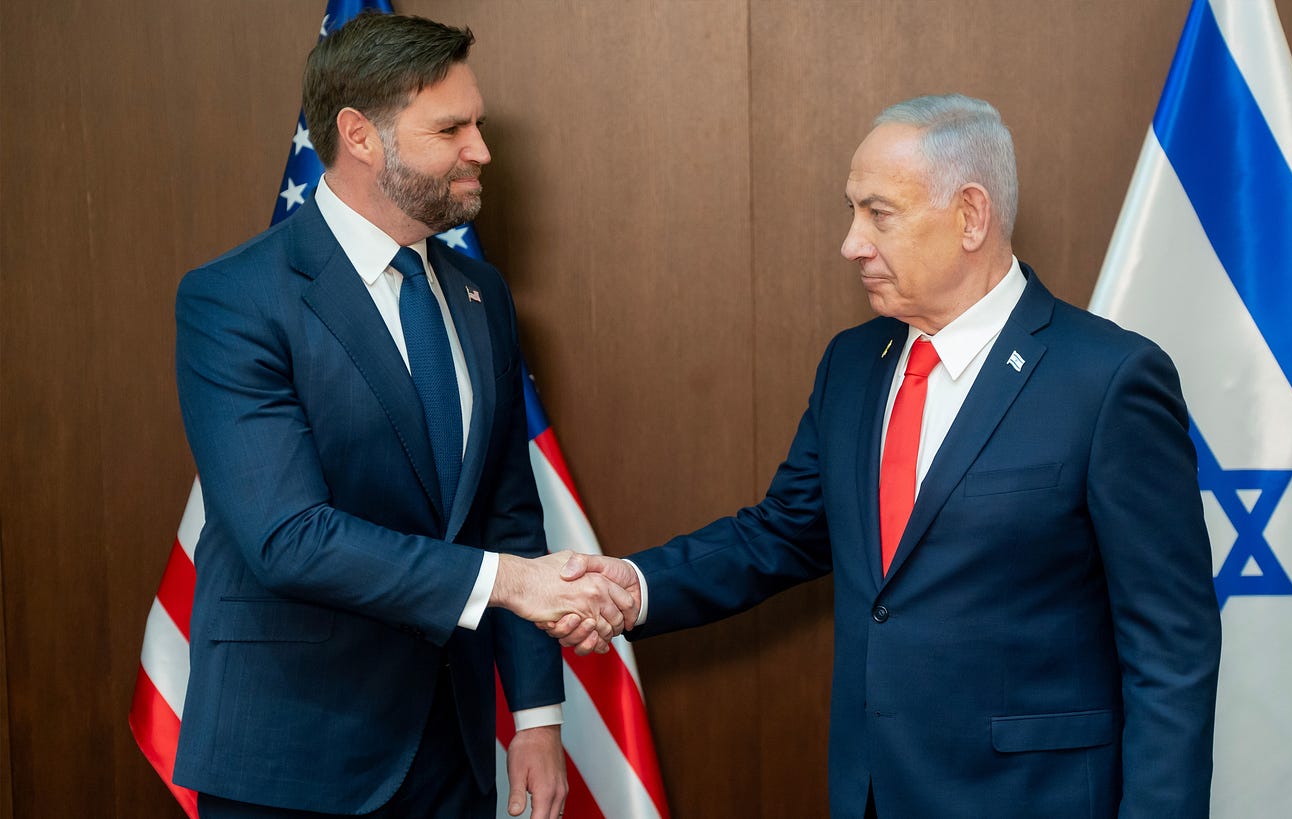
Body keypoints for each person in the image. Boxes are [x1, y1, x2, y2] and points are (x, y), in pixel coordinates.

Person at [551, 95, 1222, 817]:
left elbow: (1172, 650)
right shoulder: (853, 364)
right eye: (852, 211)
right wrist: (631, 585)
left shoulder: (1108, 379)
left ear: (970, 215)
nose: (851, 243)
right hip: (872, 794)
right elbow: (781, 532)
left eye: (879, 213)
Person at [173, 12, 634, 819]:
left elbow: (506, 514)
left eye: (478, 123)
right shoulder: (235, 299)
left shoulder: (482, 296)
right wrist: (511, 584)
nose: (482, 149)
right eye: (451, 127)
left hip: (451, 754)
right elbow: (287, 537)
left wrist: (534, 717)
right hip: (294, 756)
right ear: (360, 135)